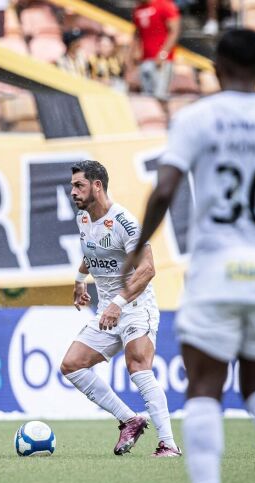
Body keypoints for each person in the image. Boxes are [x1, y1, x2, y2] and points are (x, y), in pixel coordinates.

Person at [122, 29, 255, 483]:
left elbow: (164, 190)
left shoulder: (197, 118)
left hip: (217, 269)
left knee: (205, 386)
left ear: (216, 68)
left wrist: (138, 247)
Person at [61, 160, 181, 458]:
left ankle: (168, 445)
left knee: (138, 366)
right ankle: (130, 419)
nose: (72, 191)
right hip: (107, 310)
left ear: (97, 186)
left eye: (79, 185)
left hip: (135, 307)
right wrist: (79, 280)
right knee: (72, 365)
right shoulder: (85, 218)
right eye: (73, 185)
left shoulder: (126, 223)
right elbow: (92, 252)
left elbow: (148, 269)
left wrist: (117, 304)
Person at [132, 0, 180, 106]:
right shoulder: (138, 8)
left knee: (160, 96)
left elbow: (174, 31)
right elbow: (137, 32)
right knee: (146, 97)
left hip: (162, 61)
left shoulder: (164, 5)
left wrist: (163, 54)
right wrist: (135, 50)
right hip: (145, 60)